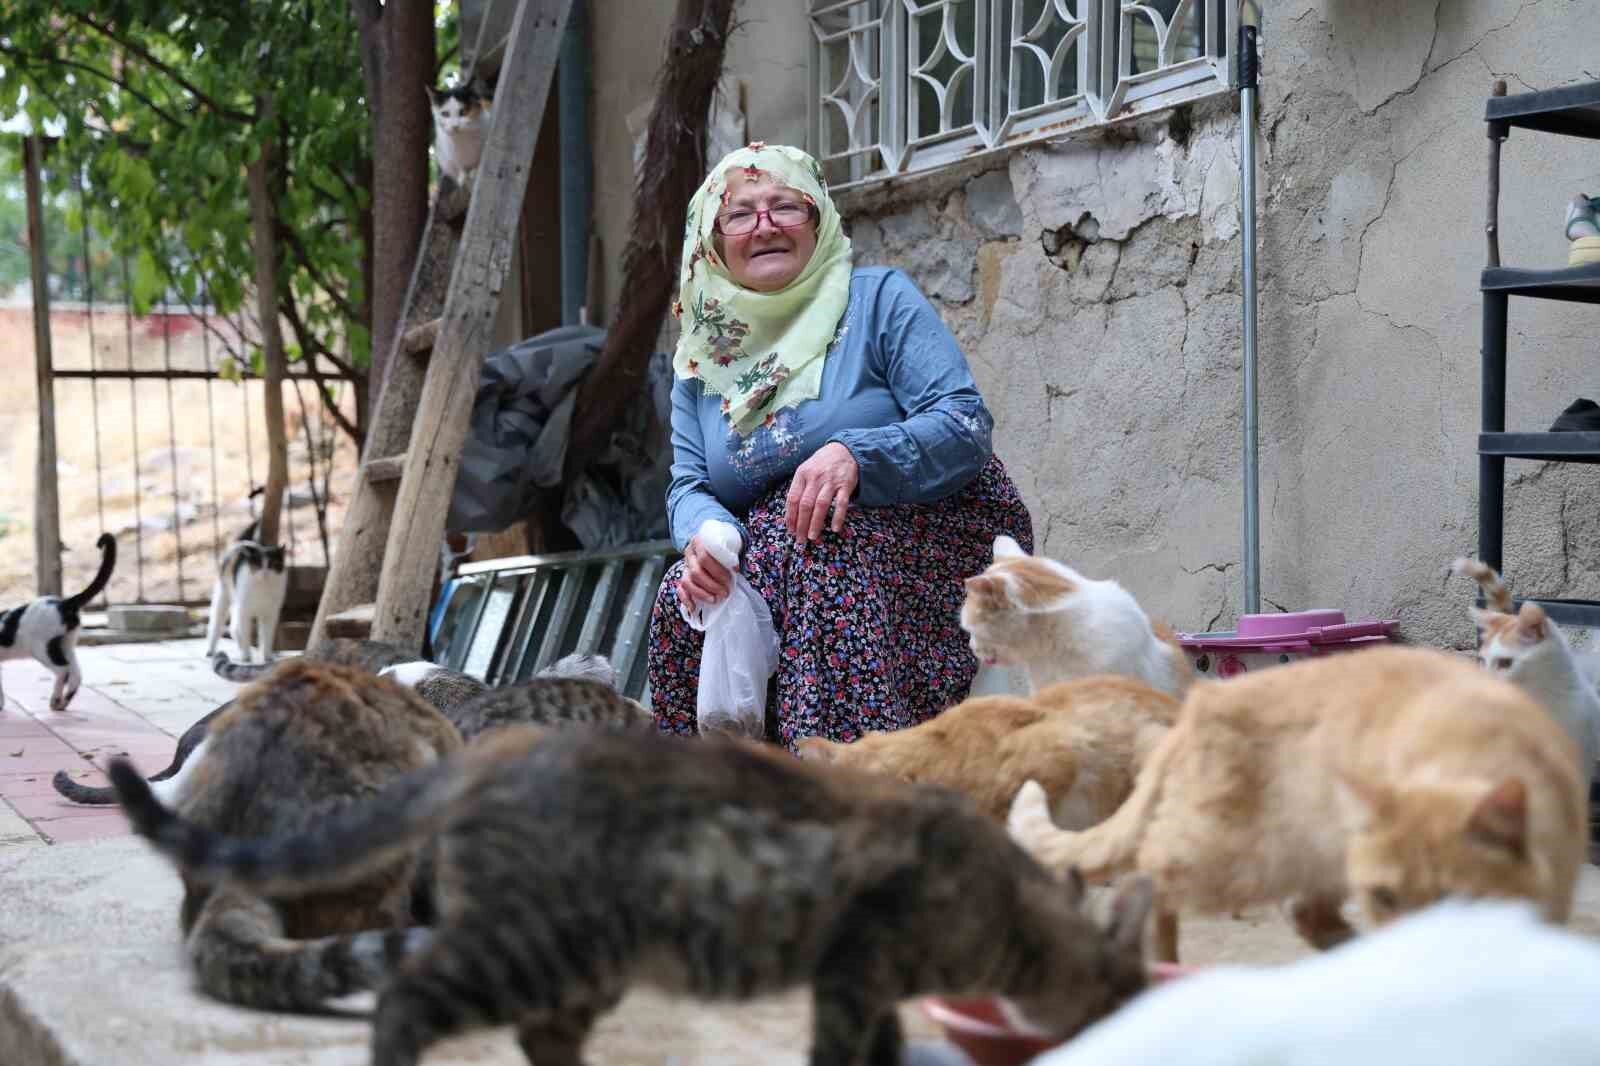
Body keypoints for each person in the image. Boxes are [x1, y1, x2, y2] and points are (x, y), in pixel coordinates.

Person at [646, 142, 1032, 750]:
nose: (765, 226)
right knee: (684, 596)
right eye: (741, 213)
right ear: (714, 241)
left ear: (818, 220)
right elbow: (689, 485)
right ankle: (720, 804)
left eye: (785, 207)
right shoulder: (702, 359)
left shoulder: (877, 299)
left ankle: (844, 792)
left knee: (825, 561)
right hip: (780, 547)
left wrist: (856, 454)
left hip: (923, 528)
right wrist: (707, 539)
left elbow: (963, 423)